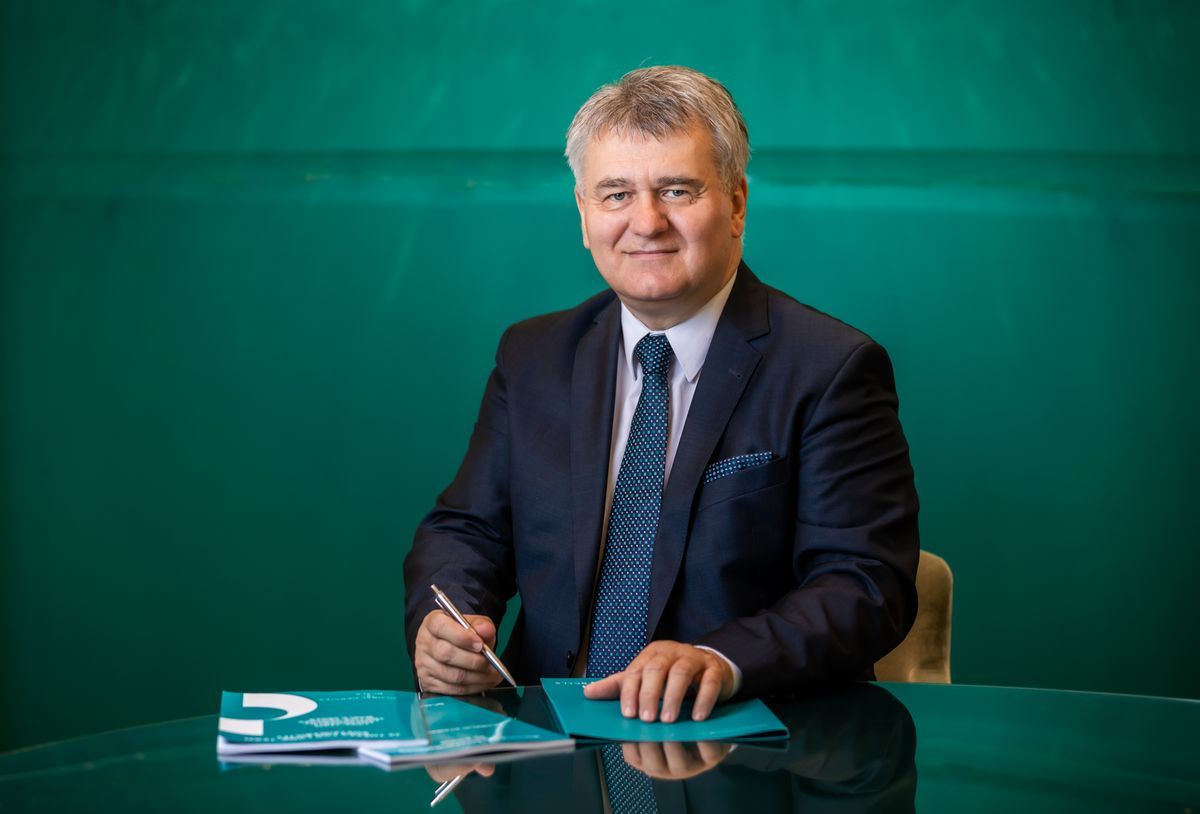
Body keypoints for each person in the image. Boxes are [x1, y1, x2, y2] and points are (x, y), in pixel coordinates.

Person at [404, 65, 919, 724]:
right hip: (546, 746)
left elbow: (864, 584)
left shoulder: (831, 367)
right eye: (616, 194)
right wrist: (446, 624)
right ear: (583, 214)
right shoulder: (532, 356)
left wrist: (722, 660)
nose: (646, 223)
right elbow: (466, 531)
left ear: (736, 203)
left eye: (677, 190)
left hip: (741, 743)